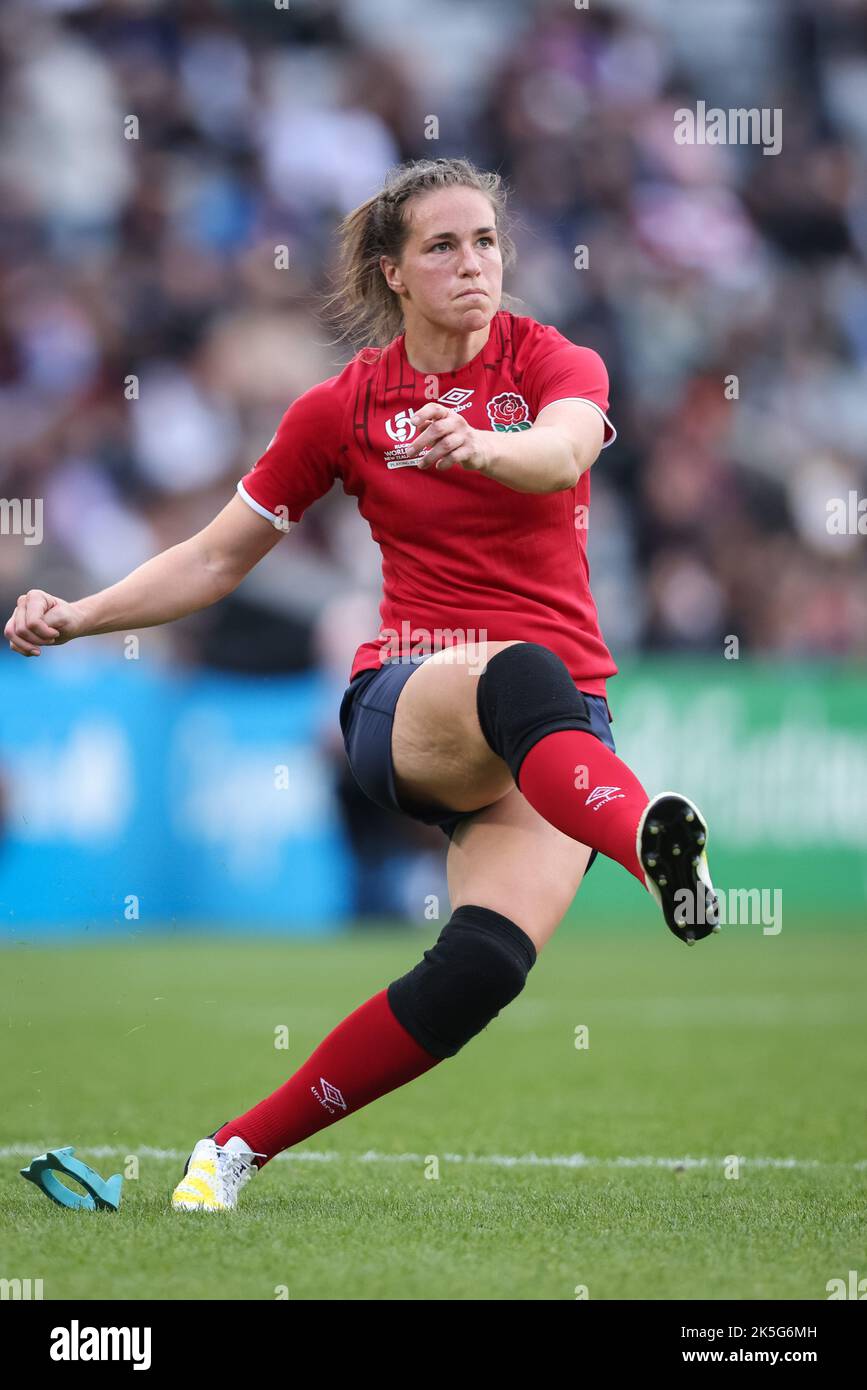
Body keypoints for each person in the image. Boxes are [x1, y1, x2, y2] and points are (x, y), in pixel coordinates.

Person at [4, 157, 719, 1213]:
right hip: (410, 701)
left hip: (558, 734)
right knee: (515, 671)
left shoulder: (557, 360)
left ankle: (230, 1151)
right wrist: (80, 612)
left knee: (479, 972)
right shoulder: (343, 406)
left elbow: (564, 455)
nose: (473, 264)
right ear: (393, 271)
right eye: (443, 245)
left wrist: (481, 442)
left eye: (485, 241)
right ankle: (658, 859)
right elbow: (213, 558)